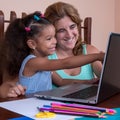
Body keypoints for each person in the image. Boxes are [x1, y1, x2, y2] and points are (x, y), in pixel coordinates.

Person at [0, 11, 104, 97]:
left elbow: (62, 81)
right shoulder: (33, 62)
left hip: (40, 106)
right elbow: (65, 63)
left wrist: (87, 82)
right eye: (49, 38)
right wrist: (98, 56)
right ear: (32, 44)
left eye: (54, 36)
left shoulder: (46, 62)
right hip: (26, 107)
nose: (55, 41)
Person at [44, 2, 103, 87]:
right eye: (61, 30)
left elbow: (111, 83)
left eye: (72, 27)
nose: (69, 35)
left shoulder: (91, 51)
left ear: (78, 26)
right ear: (51, 33)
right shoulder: (44, 58)